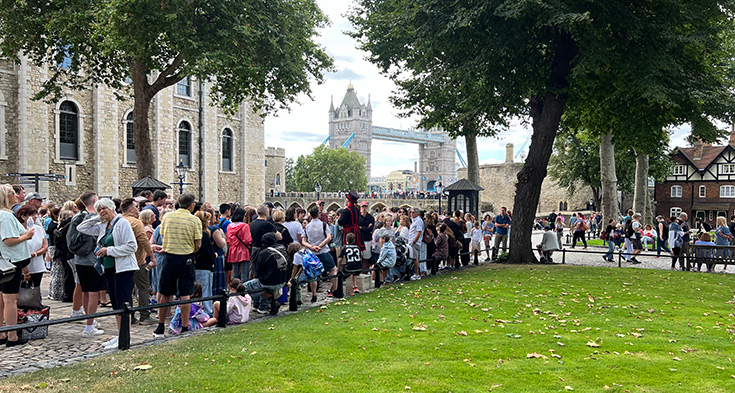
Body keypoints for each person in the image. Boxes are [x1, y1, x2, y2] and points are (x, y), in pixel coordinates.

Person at [77, 198, 138, 349]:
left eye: (105, 208)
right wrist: (98, 216)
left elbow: (131, 246)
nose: (102, 211)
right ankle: (120, 334)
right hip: (109, 268)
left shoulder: (122, 223)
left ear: (112, 208)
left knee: (123, 303)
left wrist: (109, 251)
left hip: (123, 268)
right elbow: (81, 228)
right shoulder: (103, 225)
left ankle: (126, 336)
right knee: (116, 304)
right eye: (99, 209)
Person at [154, 193, 202, 338]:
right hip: (185, 258)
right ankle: (185, 327)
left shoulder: (167, 217)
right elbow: (198, 243)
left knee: (165, 293)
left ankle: (161, 325)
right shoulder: (194, 220)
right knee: (185, 294)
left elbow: (163, 235)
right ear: (191, 204)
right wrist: (189, 250)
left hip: (169, 257)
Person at [68, 191, 105, 336]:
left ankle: (88, 318)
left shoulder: (77, 216)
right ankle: (89, 326)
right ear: (95, 200)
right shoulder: (95, 219)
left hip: (79, 258)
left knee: (85, 290)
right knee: (93, 293)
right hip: (92, 260)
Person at [0, 184, 33, 347]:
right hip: (10, 262)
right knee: (10, 299)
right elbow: (9, 240)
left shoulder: (5, 215)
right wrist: (26, 236)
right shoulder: (5, 216)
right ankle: (12, 335)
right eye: (13, 193)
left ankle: (2, 332)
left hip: (6, 261)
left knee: (3, 299)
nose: (16, 196)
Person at [120, 198, 155, 325]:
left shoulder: (118, 220)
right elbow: (144, 241)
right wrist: (152, 257)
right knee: (144, 287)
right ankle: (145, 315)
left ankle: (129, 316)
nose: (138, 209)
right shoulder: (136, 222)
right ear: (131, 209)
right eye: (136, 206)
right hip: (137, 260)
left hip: (122, 261)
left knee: (127, 288)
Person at [245, 233, 289, 315]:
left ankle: (270, 300)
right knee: (263, 284)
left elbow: (259, 271)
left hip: (269, 281)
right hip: (283, 279)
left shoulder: (264, 253)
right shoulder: (282, 248)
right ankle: (265, 305)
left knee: (245, 287)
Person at [304, 206, 336, 297]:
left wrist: (312, 246)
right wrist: (320, 246)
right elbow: (329, 237)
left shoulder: (307, 226)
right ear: (319, 214)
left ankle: (314, 294)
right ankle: (334, 289)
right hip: (323, 251)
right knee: (333, 269)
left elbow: (303, 241)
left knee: (313, 274)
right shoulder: (324, 224)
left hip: (312, 252)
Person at [16, 205, 47, 289]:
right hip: (23, 265)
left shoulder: (38, 229)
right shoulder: (19, 230)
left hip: (37, 264)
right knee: (22, 289)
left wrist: (35, 254)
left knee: (36, 288)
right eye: (31, 215)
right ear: (23, 216)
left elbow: (45, 246)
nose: (34, 217)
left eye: (35, 215)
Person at [194, 211, 216, 316]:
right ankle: (207, 312)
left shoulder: (195, 233)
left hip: (196, 264)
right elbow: (207, 251)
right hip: (204, 265)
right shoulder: (203, 235)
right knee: (205, 289)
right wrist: (213, 255)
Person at [226, 207, 252, 282]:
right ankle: (243, 291)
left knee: (235, 273)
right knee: (245, 275)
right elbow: (248, 240)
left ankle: (235, 289)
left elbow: (228, 240)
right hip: (243, 251)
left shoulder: (229, 226)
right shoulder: (245, 226)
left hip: (233, 250)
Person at [206, 209, 227, 296]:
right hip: (216, 255)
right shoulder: (214, 229)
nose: (216, 217)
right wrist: (223, 239)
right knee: (217, 279)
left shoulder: (204, 229)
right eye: (214, 215)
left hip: (208, 256)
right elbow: (221, 244)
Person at [407, 208, 424, 281]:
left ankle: (417, 274)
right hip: (411, 241)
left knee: (415, 257)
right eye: (411, 212)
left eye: (413, 212)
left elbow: (419, 232)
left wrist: (414, 241)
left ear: (417, 213)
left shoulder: (418, 221)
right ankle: (415, 273)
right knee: (413, 257)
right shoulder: (414, 220)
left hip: (414, 242)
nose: (411, 213)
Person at [358, 201, 374, 273]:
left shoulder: (370, 217)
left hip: (367, 239)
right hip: (359, 238)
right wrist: (365, 228)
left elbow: (371, 229)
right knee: (359, 256)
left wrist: (361, 228)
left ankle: (365, 271)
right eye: (362, 206)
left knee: (366, 257)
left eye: (365, 206)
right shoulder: (358, 217)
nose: (364, 208)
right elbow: (357, 228)